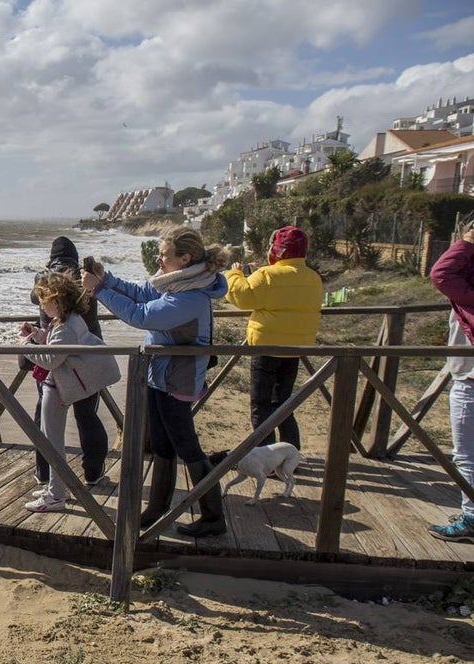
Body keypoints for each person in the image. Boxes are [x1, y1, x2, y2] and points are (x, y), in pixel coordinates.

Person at [81, 226, 228, 537]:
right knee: (162, 443)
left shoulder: (191, 296)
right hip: (162, 374)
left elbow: (141, 315)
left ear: (184, 258)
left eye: (164, 254)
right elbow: (144, 293)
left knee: (187, 445)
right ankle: (158, 508)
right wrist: (106, 279)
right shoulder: (181, 281)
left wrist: (99, 291)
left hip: (179, 377)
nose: (159, 259)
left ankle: (213, 515)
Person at [19, 271, 119, 512]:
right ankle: (57, 487)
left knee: (51, 442)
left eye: (45, 300)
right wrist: (38, 334)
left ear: (58, 301)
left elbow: (50, 359)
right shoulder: (69, 320)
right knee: (51, 439)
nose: (42, 306)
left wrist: (24, 345)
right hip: (60, 385)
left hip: (58, 387)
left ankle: (55, 496)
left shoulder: (65, 326)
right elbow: (58, 345)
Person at [224, 226, 323, 449]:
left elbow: (241, 297)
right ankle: (290, 453)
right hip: (296, 348)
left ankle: (266, 454)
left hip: (266, 347)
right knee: (284, 403)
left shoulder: (267, 275)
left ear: (276, 251)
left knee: (261, 404)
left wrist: (235, 273)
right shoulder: (313, 278)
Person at [27, 236, 110, 489]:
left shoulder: (45, 279)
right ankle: (93, 473)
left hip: (52, 358)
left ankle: (43, 473)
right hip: (85, 359)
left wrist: (45, 271)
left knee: (46, 417)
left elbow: (34, 297)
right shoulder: (86, 280)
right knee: (87, 416)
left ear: (51, 257)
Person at [426, 222, 474, 544]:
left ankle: (471, 518)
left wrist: (468, 241)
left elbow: (441, 273)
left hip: (471, 377)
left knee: (468, 454)